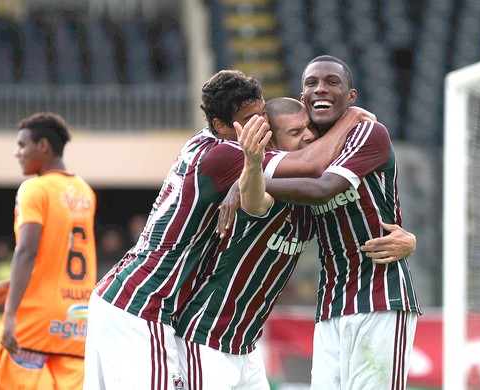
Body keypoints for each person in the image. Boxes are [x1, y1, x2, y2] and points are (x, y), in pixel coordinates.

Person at [82, 70, 367, 389]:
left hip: (127, 296)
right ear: (220, 125)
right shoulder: (228, 154)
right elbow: (312, 166)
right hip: (142, 303)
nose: (261, 126)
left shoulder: (204, 143)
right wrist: (351, 119)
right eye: (249, 119)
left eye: (262, 115)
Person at [174, 97, 417, 389]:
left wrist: (407, 239)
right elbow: (259, 198)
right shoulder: (260, 180)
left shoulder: (304, 193)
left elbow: (335, 199)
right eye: (294, 133)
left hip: (245, 345)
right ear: (271, 146)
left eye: (309, 129)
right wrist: (244, 183)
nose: (309, 137)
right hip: (205, 335)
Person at [260, 56, 422, 389]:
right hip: (331, 303)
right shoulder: (295, 146)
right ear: (303, 97)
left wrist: (249, 184)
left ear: (351, 97)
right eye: (311, 83)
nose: (320, 88)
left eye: (332, 82)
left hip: (380, 298)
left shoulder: (367, 132)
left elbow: (323, 189)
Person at [0, 112, 97, 390]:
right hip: (75, 322)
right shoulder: (85, 191)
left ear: (43, 146)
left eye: (22, 145)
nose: (17, 153)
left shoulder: (34, 188)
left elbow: (27, 251)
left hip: (36, 323)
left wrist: (9, 314)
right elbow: (57, 258)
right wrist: (11, 284)